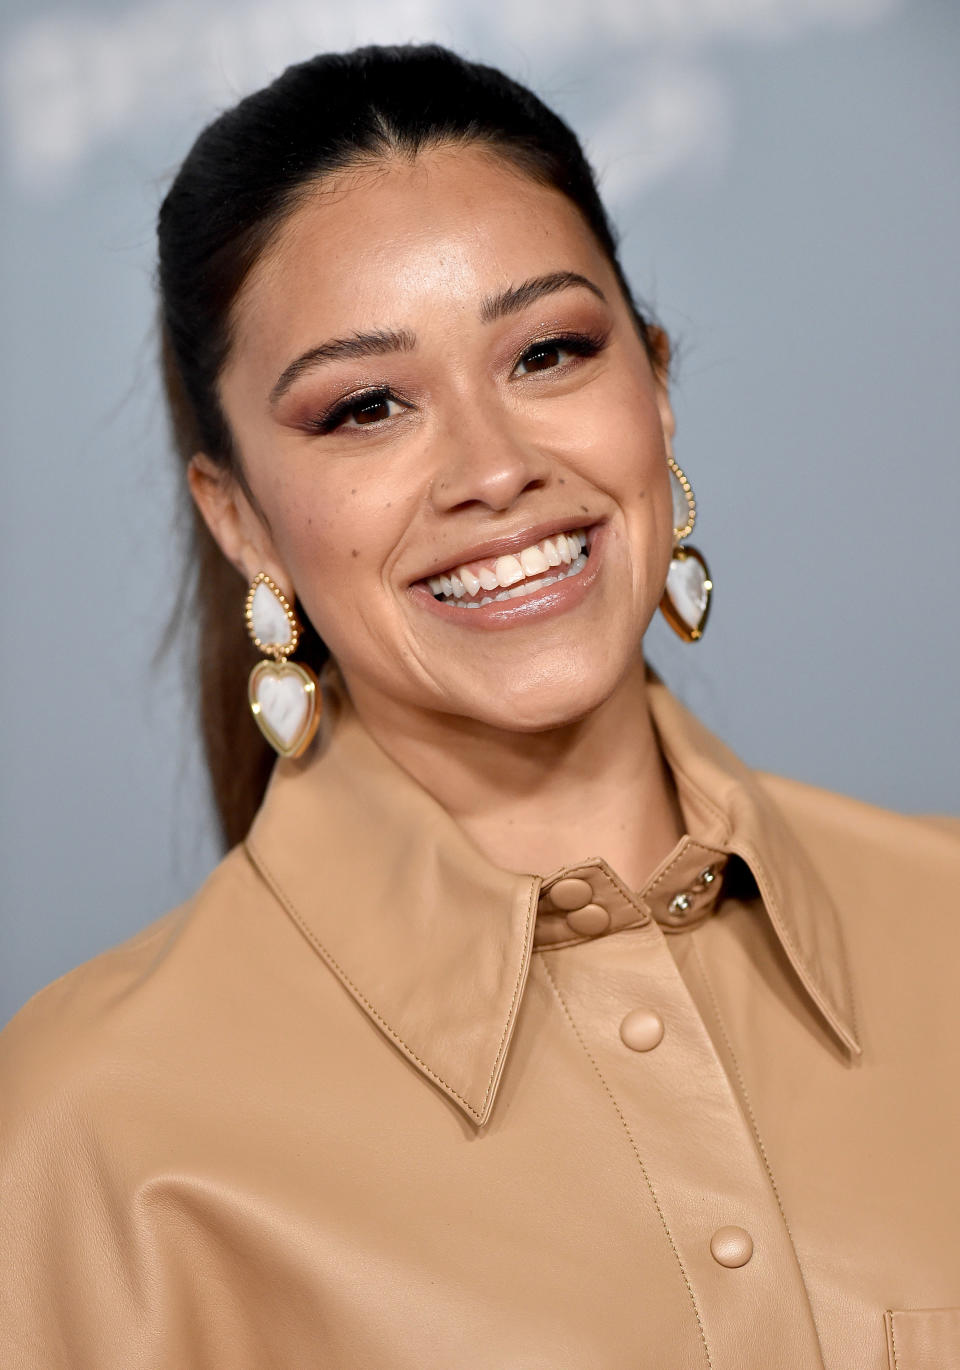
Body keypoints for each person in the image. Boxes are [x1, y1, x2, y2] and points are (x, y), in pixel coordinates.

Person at [1, 43, 957, 1370]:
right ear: (242, 521)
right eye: (367, 407)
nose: (495, 469)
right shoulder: (84, 1129)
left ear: (657, 388)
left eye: (549, 351)